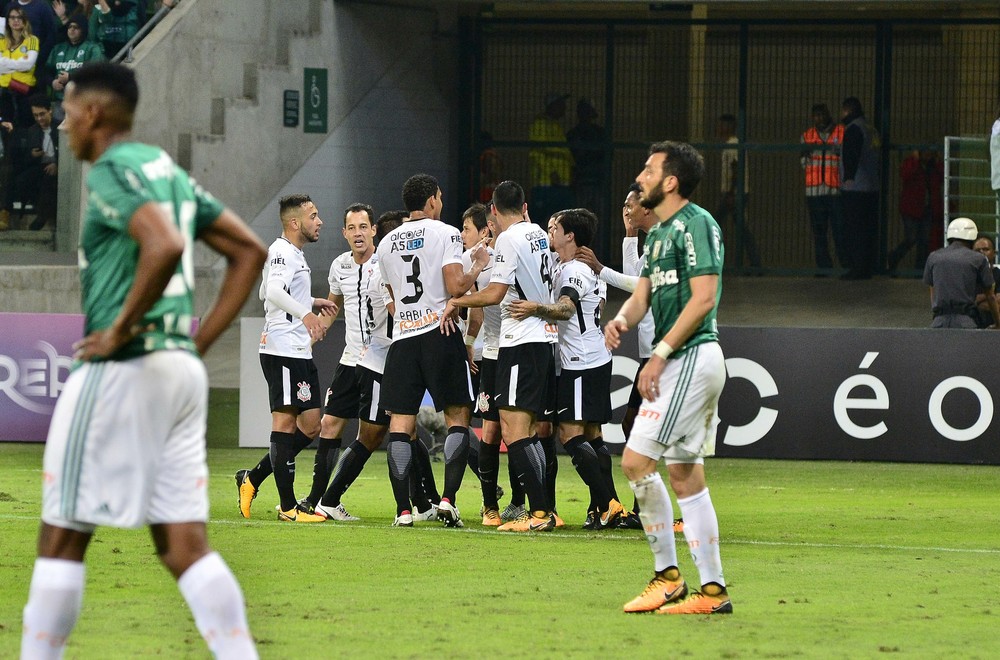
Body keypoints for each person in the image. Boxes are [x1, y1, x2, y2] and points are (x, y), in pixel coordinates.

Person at [20, 61, 265, 658]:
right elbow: (247, 252)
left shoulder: (109, 171)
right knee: (184, 545)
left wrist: (120, 329)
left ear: (93, 112)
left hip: (122, 368)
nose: (67, 124)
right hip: (179, 374)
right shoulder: (163, 169)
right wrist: (195, 345)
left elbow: (165, 243)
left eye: (70, 111)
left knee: (61, 537)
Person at [607, 140, 732, 615]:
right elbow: (641, 297)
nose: (641, 175)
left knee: (637, 462)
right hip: (685, 359)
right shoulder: (657, 234)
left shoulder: (696, 224)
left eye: (649, 168)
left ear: (671, 181)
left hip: (691, 358)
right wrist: (621, 321)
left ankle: (668, 577)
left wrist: (658, 353)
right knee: (684, 475)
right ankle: (713, 592)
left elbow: (704, 298)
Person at [445, 180, 558, 533]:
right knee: (524, 429)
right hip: (542, 340)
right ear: (524, 206)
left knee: (512, 429)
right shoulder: (538, 232)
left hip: (520, 342)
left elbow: (495, 294)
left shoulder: (509, 239)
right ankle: (541, 510)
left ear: (493, 210)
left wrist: (456, 301)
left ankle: (539, 513)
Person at [376, 173, 487, 528]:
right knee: (458, 417)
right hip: (439, 331)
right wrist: (477, 267)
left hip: (403, 338)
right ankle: (447, 501)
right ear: (432, 201)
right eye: (439, 195)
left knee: (400, 424)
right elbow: (455, 285)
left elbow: (392, 295)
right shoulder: (446, 232)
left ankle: (403, 511)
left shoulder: (386, 243)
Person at [575, 183, 684, 533]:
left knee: (650, 432)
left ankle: (664, 510)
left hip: (664, 353)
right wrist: (628, 234)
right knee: (632, 426)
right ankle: (646, 508)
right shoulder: (650, 240)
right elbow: (636, 272)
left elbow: (640, 285)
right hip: (648, 353)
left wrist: (599, 268)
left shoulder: (666, 241)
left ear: (647, 208)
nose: (625, 209)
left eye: (630, 205)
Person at [509, 207, 624, 529]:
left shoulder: (574, 270)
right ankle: (604, 506)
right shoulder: (578, 268)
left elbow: (566, 308)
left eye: (553, 228)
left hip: (579, 362)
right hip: (592, 358)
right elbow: (597, 305)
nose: (549, 234)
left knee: (570, 434)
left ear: (569, 235)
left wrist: (534, 308)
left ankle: (608, 503)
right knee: (592, 434)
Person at [235, 194, 338, 522]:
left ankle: (251, 478)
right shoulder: (281, 251)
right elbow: (275, 293)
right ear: (295, 223)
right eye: (313, 215)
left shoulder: (292, 254)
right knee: (283, 423)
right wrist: (306, 314)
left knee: (310, 426)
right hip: (280, 350)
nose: (319, 221)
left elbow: (268, 291)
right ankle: (289, 508)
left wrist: (311, 300)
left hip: (297, 350)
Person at [290, 202, 379, 521]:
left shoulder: (385, 263)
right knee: (328, 425)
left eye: (363, 227)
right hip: (350, 359)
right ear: (344, 233)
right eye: (352, 228)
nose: (358, 233)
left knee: (380, 432)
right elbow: (332, 309)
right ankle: (317, 500)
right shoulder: (339, 265)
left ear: (374, 231)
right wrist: (310, 339)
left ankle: (418, 502)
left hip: (380, 361)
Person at [923, 217, 999, 329]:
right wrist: (998, 323)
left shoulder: (933, 257)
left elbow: (933, 292)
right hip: (966, 321)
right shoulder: (978, 259)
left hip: (939, 321)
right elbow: (990, 296)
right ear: (972, 237)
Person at [800, 103, 847, 271]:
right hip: (814, 190)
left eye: (821, 115)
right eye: (816, 116)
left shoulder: (841, 132)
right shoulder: (807, 135)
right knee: (819, 232)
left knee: (840, 231)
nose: (819, 119)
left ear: (828, 115)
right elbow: (804, 161)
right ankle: (824, 267)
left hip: (835, 189)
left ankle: (845, 265)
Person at [839, 97, 881, 280]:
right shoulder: (870, 129)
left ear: (848, 110)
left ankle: (857, 268)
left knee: (855, 229)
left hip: (856, 187)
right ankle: (867, 266)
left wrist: (848, 177)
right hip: (872, 185)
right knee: (868, 229)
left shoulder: (853, 129)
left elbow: (851, 154)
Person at [887, 149, 943, 274]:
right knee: (911, 238)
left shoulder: (933, 167)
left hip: (928, 207)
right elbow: (905, 174)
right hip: (911, 207)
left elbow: (944, 176)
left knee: (924, 240)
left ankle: (920, 269)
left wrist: (938, 161)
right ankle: (893, 257)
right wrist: (915, 160)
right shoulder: (912, 163)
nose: (928, 155)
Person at [717, 113, 761, 271]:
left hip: (734, 194)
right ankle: (754, 263)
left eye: (722, 125)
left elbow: (736, 169)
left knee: (714, 225)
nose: (719, 129)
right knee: (741, 228)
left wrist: (730, 193)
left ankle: (754, 264)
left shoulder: (732, 145)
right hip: (735, 193)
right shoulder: (733, 144)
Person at [8, 94, 58, 230]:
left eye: (42, 114)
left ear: (50, 111)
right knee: (21, 180)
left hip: (57, 168)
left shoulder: (59, 129)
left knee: (49, 180)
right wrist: (32, 155)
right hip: (39, 166)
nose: (39, 119)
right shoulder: (33, 131)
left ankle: (42, 217)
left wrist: (57, 164)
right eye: (36, 115)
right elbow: (26, 160)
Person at [45, 13, 105, 121]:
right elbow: (45, 72)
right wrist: (52, 82)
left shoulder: (92, 48)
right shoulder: (58, 48)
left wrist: (70, 77)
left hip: (83, 102)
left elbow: (96, 74)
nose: (72, 30)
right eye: (70, 27)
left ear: (83, 30)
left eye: (76, 27)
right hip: (60, 102)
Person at [528, 92, 574, 228]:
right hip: (547, 183)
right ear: (552, 106)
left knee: (561, 221)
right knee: (542, 219)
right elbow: (538, 152)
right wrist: (551, 173)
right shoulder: (541, 124)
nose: (564, 108)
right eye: (561, 105)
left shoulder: (554, 125)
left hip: (560, 183)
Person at [566, 98, 607, 221]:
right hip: (586, 181)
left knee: (580, 218)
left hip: (589, 181)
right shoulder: (600, 133)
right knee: (585, 218)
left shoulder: (573, 134)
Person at [0, 5, 42, 128]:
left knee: (25, 128)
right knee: (6, 129)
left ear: (25, 21)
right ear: (8, 21)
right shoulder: (2, 42)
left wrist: (6, 63)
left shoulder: (32, 40)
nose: (16, 20)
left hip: (24, 91)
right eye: (12, 17)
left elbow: (28, 64)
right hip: (5, 92)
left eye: (19, 17)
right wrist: (18, 64)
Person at [973, 234, 1000, 328]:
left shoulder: (999, 274)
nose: (982, 253)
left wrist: (978, 300)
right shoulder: (969, 276)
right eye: (977, 250)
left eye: (985, 249)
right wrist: (991, 297)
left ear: (994, 253)